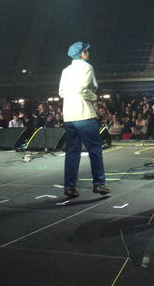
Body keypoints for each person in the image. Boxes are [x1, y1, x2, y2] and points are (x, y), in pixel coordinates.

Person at [59, 41, 110, 198]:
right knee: (95, 149)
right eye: (87, 51)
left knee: (72, 152)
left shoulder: (66, 70)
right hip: (84, 114)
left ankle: (69, 187)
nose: (88, 53)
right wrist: (94, 97)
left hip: (69, 116)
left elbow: (61, 92)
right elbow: (83, 90)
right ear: (82, 54)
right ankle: (99, 183)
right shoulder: (87, 67)